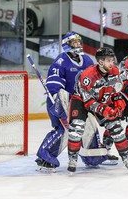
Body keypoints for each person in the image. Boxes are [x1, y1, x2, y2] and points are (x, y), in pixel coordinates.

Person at [35, 32, 101, 171]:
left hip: (80, 103)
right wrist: (60, 104)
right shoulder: (60, 61)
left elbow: (94, 81)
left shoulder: (87, 60)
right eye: (74, 42)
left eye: (79, 42)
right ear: (67, 45)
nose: (78, 45)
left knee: (90, 129)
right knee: (65, 131)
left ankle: (92, 157)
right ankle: (44, 156)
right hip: (61, 103)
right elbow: (54, 86)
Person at [67, 47, 128, 173]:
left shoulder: (115, 71)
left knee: (116, 128)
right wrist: (104, 110)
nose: (112, 63)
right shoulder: (88, 76)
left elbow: (117, 90)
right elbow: (88, 103)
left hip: (102, 99)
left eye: (112, 60)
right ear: (100, 62)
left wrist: (118, 103)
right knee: (76, 129)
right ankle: (72, 159)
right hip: (81, 100)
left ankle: (126, 159)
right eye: (109, 60)